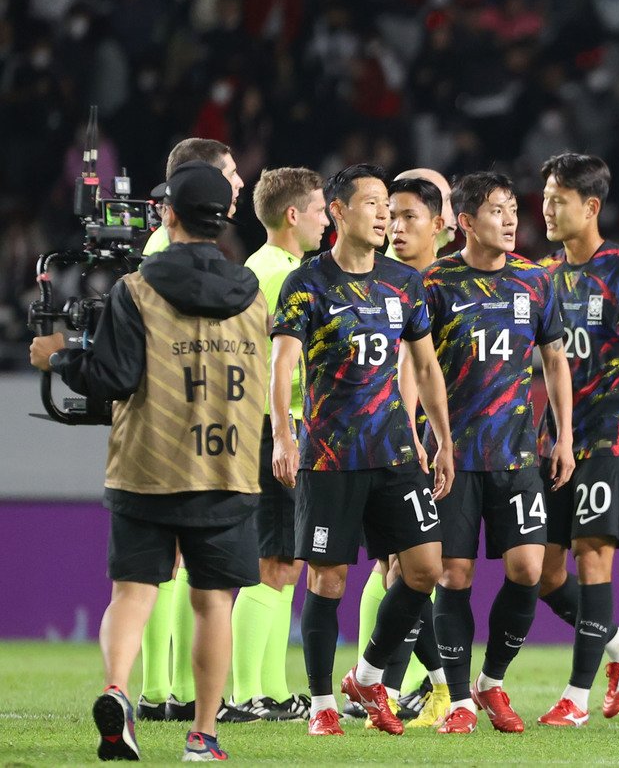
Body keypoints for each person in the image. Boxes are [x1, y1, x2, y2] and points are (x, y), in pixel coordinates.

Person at [31, 161, 267, 761]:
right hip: (227, 466)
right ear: (224, 217)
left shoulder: (136, 290)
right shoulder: (253, 294)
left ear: (168, 214)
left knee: (133, 595)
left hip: (149, 465)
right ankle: (203, 736)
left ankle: (117, 691)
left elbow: (109, 378)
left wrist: (58, 358)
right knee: (214, 603)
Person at [269, 163, 454, 737]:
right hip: (331, 455)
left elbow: (424, 365)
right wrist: (282, 433)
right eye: (373, 204)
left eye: (389, 208)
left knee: (424, 569)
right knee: (327, 580)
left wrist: (443, 439)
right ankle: (322, 702)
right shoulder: (307, 282)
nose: (383, 216)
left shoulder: (404, 283)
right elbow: (282, 364)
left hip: (396, 452)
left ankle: (369, 673)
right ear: (341, 211)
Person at [424, 171, 574, 735]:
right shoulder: (436, 282)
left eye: (514, 209)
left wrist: (564, 434)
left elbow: (555, 359)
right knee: (453, 574)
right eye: (496, 210)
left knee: (528, 567)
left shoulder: (535, 280)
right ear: (465, 221)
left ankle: (492, 681)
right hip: (455, 457)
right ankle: (459, 699)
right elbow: (414, 365)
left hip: (516, 454)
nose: (510, 220)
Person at [535, 154, 619, 727]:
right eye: (546, 198)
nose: (547, 209)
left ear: (591, 207)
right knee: (541, 572)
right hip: (552, 439)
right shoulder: (541, 277)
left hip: (612, 434)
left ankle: (575, 700)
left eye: (558, 199)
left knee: (592, 556)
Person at [136, 137, 246, 722]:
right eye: (230, 173)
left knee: (173, 565)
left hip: (174, 422)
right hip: (183, 421)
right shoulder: (170, 250)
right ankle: (164, 690)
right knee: (177, 564)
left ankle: (164, 688)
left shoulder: (163, 242)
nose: (239, 183)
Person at [348, 172, 455, 727]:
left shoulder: (441, 283)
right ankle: (405, 685)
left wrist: (429, 434)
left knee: (415, 568)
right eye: (390, 212)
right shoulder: (384, 279)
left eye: (408, 215)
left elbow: (424, 366)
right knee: (397, 568)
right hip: (386, 441)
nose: (394, 224)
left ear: (443, 223)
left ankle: (408, 684)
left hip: (430, 443)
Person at [228, 167, 328, 721]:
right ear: (292, 215)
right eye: (317, 210)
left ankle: (268, 687)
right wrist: (283, 432)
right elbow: (271, 363)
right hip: (276, 428)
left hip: (282, 426)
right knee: (272, 562)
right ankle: (245, 695)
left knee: (287, 562)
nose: (324, 220)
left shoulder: (279, 268)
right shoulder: (275, 273)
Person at [143, 138, 244, 257]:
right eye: (232, 174)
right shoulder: (171, 247)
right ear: (205, 181)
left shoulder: (185, 238)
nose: (240, 182)